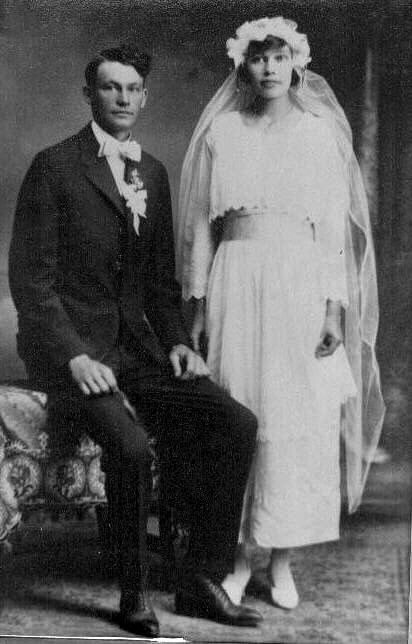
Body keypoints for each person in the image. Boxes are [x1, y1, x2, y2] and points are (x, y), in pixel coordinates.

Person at [8, 45, 264, 637]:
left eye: (132, 89)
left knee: (235, 422)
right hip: (69, 355)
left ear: (144, 98)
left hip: (135, 352)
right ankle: (133, 594)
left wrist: (176, 342)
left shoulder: (151, 172)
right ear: (89, 95)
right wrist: (74, 356)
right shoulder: (54, 166)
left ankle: (201, 581)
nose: (122, 98)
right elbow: (31, 283)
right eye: (110, 87)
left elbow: (158, 285)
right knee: (130, 449)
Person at [176, 17, 385, 610]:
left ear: (296, 64)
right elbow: (201, 228)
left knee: (294, 418)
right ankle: (239, 558)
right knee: (240, 412)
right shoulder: (223, 132)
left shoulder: (319, 135)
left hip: (298, 285)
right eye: (258, 58)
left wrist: (333, 310)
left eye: (278, 57)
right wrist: (198, 304)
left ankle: (282, 560)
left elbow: (333, 234)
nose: (269, 68)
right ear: (243, 66)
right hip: (235, 282)